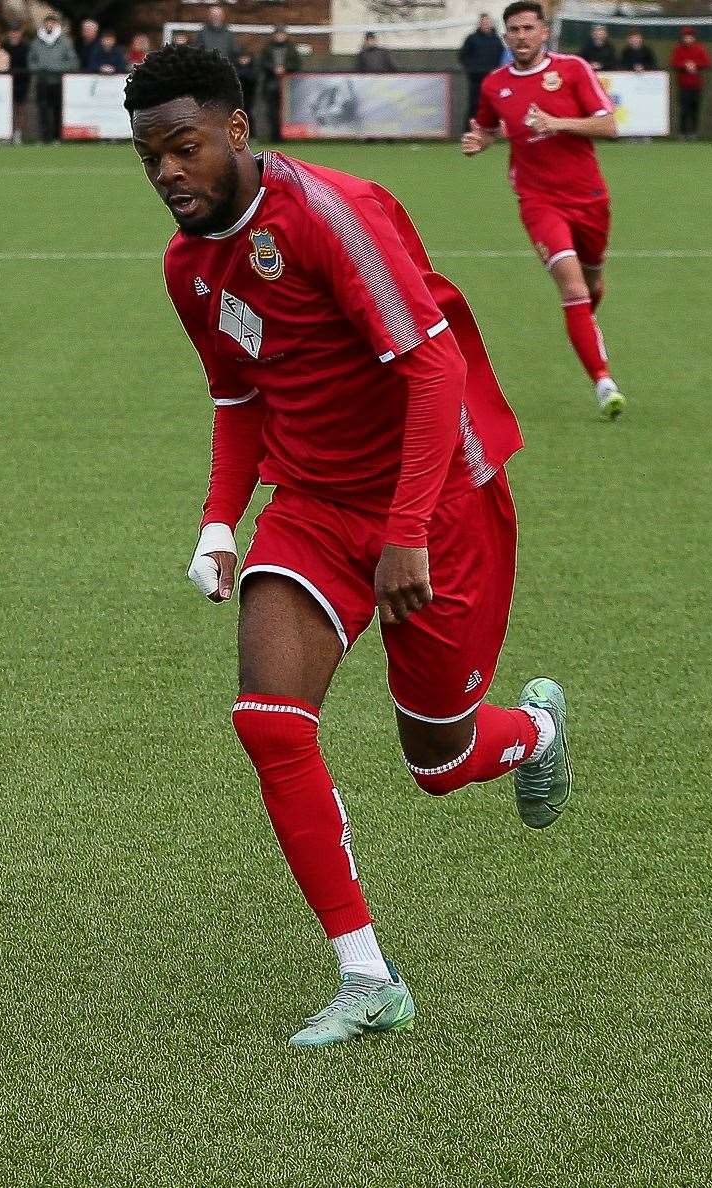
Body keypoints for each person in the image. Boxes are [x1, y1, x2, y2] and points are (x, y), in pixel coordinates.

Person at [125, 43, 569, 1047]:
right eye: (148, 157)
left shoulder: (326, 212)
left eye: (184, 148)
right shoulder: (187, 268)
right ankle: (367, 978)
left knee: (439, 760)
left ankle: (534, 734)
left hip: (438, 499)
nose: (166, 175)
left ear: (237, 130)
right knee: (267, 719)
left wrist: (407, 530)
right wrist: (216, 519)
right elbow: (238, 396)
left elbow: (431, 369)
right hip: (315, 507)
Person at [464, 2, 624, 417]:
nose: (520, 36)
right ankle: (604, 382)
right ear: (505, 36)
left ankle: (586, 324)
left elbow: (609, 125)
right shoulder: (494, 84)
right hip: (538, 201)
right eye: (513, 29)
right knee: (572, 288)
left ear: (544, 32)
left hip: (588, 197)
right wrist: (481, 140)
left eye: (528, 28)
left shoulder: (572, 69)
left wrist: (557, 123)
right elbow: (488, 125)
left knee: (590, 283)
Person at [30, 14, 79, 143]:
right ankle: (45, 138)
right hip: (42, 81)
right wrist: (41, 68)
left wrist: (55, 68)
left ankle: (58, 137)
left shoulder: (65, 41)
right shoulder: (36, 41)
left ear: (56, 24)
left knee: (58, 110)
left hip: (59, 81)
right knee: (42, 110)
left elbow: (73, 62)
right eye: (47, 23)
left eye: (52, 23)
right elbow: (31, 61)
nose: (49, 25)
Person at [458, 14, 505, 122]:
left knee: (492, 103)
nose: (486, 25)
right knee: (474, 104)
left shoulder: (496, 40)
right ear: (480, 24)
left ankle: (489, 129)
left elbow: (501, 56)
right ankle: (469, 130)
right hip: (476, 77)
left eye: (488, 23)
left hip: (492, 77)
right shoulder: (472, 38)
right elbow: (463, 56)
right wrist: (471, 69)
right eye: (484, 23)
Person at [258, 26, 301, 142]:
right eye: (278, 34)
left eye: (282, 34)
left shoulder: (292, 49)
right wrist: (273, 69)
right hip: (271, 84)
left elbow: (296, 65)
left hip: (288, 85)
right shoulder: (267, 49)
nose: (280, 36)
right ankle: (274, 136)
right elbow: (263, 64)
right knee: (272, 111)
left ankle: (285, 135)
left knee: (285, 112)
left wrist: (285, 69)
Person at [670, 27, 711, 140]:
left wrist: (695, 65)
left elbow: (707, 62)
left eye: (690, 36)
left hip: (696, 85)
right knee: (683, 110)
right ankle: (682, 133)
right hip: (683, 85)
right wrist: (685, 65)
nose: (688, 39)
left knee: (695, 109)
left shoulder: (699, 48)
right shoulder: (678, 49)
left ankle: (693, 132)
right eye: (685, 36)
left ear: (693, 37)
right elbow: (674, 63)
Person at [4, 25, 32, 140]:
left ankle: (17, 134)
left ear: (20, 33)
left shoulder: (26, 47)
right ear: (9, 33)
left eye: (16, 32)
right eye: (12, 32)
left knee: (20, 109)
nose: (14, 34)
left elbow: (30, 65)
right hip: (6, 83)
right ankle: (6, 134)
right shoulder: (4, 46)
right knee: (7, 110)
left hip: (22, 82)